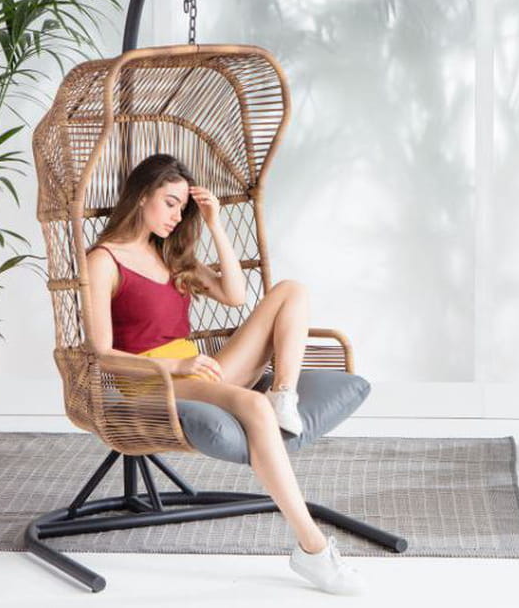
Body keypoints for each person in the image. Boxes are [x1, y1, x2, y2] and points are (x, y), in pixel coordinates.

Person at [85, 153, 363, 595]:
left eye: (182, 208)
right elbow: (101, 353)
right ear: (141, 196)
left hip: (199, 373)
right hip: (151, 381)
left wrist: (215, 225)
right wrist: (177, 365)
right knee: (252, 404)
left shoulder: (171, 255)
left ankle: (284, 394)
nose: (176, 216)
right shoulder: (103, 260)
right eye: (170, 203)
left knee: (291, 291)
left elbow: (234, 295)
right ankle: (312, 548)